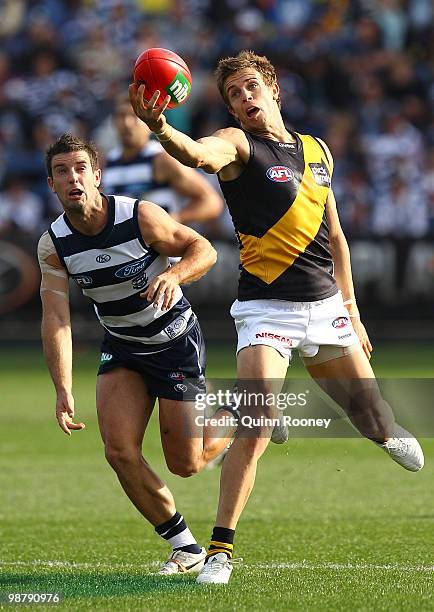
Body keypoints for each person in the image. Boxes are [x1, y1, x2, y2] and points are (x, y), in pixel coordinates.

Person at [129, 50, 425, 584]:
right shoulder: (239, 144)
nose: (243, 100)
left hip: (327, 308)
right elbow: (197, 155)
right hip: (266, 309)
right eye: (234, 95)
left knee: (374, 417)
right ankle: (220, 553)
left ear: (274, 90)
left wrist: (353, 313)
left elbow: (335, 237)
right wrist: (160, 128)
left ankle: (382, 430)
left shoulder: (316, 151)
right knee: (255, 425)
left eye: (250, 89)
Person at [38, 132, 234, 576]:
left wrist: (175, 276)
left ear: (97, 176)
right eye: (62, 171)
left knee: (186, 464)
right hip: (123, 348)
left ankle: (239, 418)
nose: (73, 178)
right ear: (51, 184)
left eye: (80, 169)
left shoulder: (139, 216)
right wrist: (63, 387)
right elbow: (57, 319)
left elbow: (201, 249)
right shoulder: (54, 245)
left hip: (173, 344)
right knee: (119, 451)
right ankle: (185, 548)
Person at [103, 94, 223, 225]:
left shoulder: (161, 159)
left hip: (159, 243)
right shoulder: (106, 163)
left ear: (149, 122)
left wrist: (172, 221)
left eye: (135, 116)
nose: (127, 123)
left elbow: (211, 202)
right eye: (121, 116)